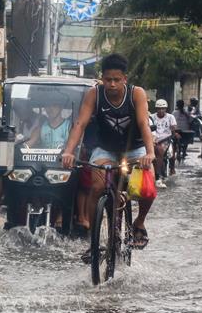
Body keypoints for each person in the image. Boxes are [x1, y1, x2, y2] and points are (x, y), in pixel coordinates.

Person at [61, 53, 156, 252]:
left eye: (116, 80)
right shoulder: (94, 94)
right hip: (105, 149)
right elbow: (80, 124)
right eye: (108, 80)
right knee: (96, 187)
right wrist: (68, 152)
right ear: (102, 78)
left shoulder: (136, 94)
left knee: (148, 187)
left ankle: (139, 223)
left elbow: (143, 123)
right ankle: (93, 240)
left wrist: (150, 152)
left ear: (125, 79)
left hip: (135, 148)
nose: (112, 84)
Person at [151, 99, 178, 188]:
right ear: (156, 109)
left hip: (166, 139)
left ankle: (170, 169)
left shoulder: (170, 117)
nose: (161, 110)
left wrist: (174, 129)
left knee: (169, 153)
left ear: (166, 109)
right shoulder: (151, 117)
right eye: (159, 108)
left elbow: (174, 128)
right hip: (153, 140)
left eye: (163, 108)